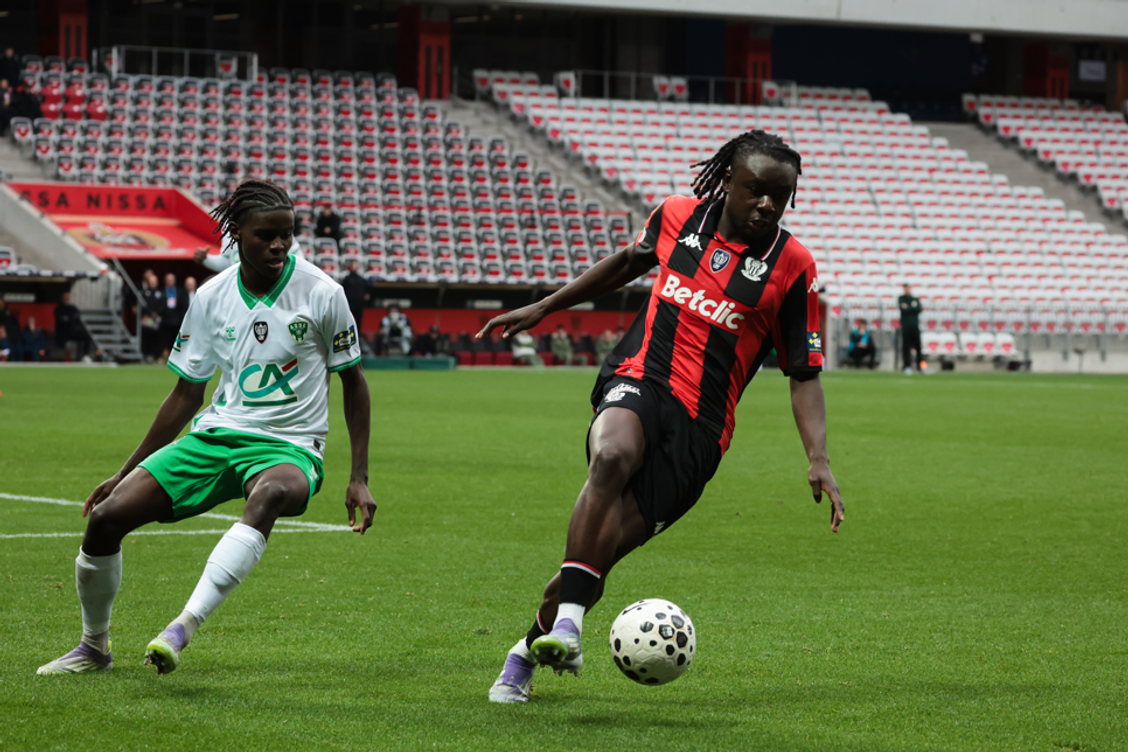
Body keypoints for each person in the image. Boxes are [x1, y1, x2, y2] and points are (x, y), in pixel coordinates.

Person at [477, 130, 844, 703]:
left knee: (594, 557)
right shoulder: (676, 216)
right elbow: (627, 262)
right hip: (639, 377)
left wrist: (818, 458)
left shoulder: (793, 268)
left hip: (699, 435)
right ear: (728, 182)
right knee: (613, 454)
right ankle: (570, 626)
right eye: (755, 190)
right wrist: (546, 305)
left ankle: (528, 649)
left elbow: (804, 373)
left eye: (780, 195)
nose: (767, 204)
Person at [37, 179, 375, 676]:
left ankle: (182, 626)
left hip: (290, 447)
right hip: (216, 435)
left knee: (270, 495)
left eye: (288, 233)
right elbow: (185, 395)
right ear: (237, 233)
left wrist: (359, 475)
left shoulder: (324, 294)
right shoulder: (212, 297)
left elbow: (354, 382)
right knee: (106, 518)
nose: (280, 244)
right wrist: (124, 472)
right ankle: (93, 646)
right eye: (267, 235)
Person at [340, 260, 369, 353]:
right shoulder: (347, 279)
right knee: (349, 323)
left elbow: (366, 291)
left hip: (359, 306)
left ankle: (358, 341)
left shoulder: (361, 279)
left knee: (358, 324)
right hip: (350, 305)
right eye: (354, 265)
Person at [54, 292, 91, 362]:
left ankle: (85, 356)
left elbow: (77, 319)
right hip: (62, 333)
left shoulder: (73, 308)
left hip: (72, 332)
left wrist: (68, 319)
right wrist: (71, 318)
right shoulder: (58, 309)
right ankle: (60, 360)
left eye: (68, 297)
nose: (67, 299)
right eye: (65, 298)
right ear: (62, 299)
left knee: (86, 336)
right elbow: (61, 321)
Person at [899, 283, 923, 374]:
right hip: (905, 326)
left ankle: (920, 366)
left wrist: (909, 308)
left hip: (915, 325)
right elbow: (903, 310)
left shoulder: (915, 299)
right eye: (905, 288)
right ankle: (906, 366)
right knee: (906, 346)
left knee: (918, 346)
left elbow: (919, 309)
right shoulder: (901, 299)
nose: (907, 290)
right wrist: (912, 308)